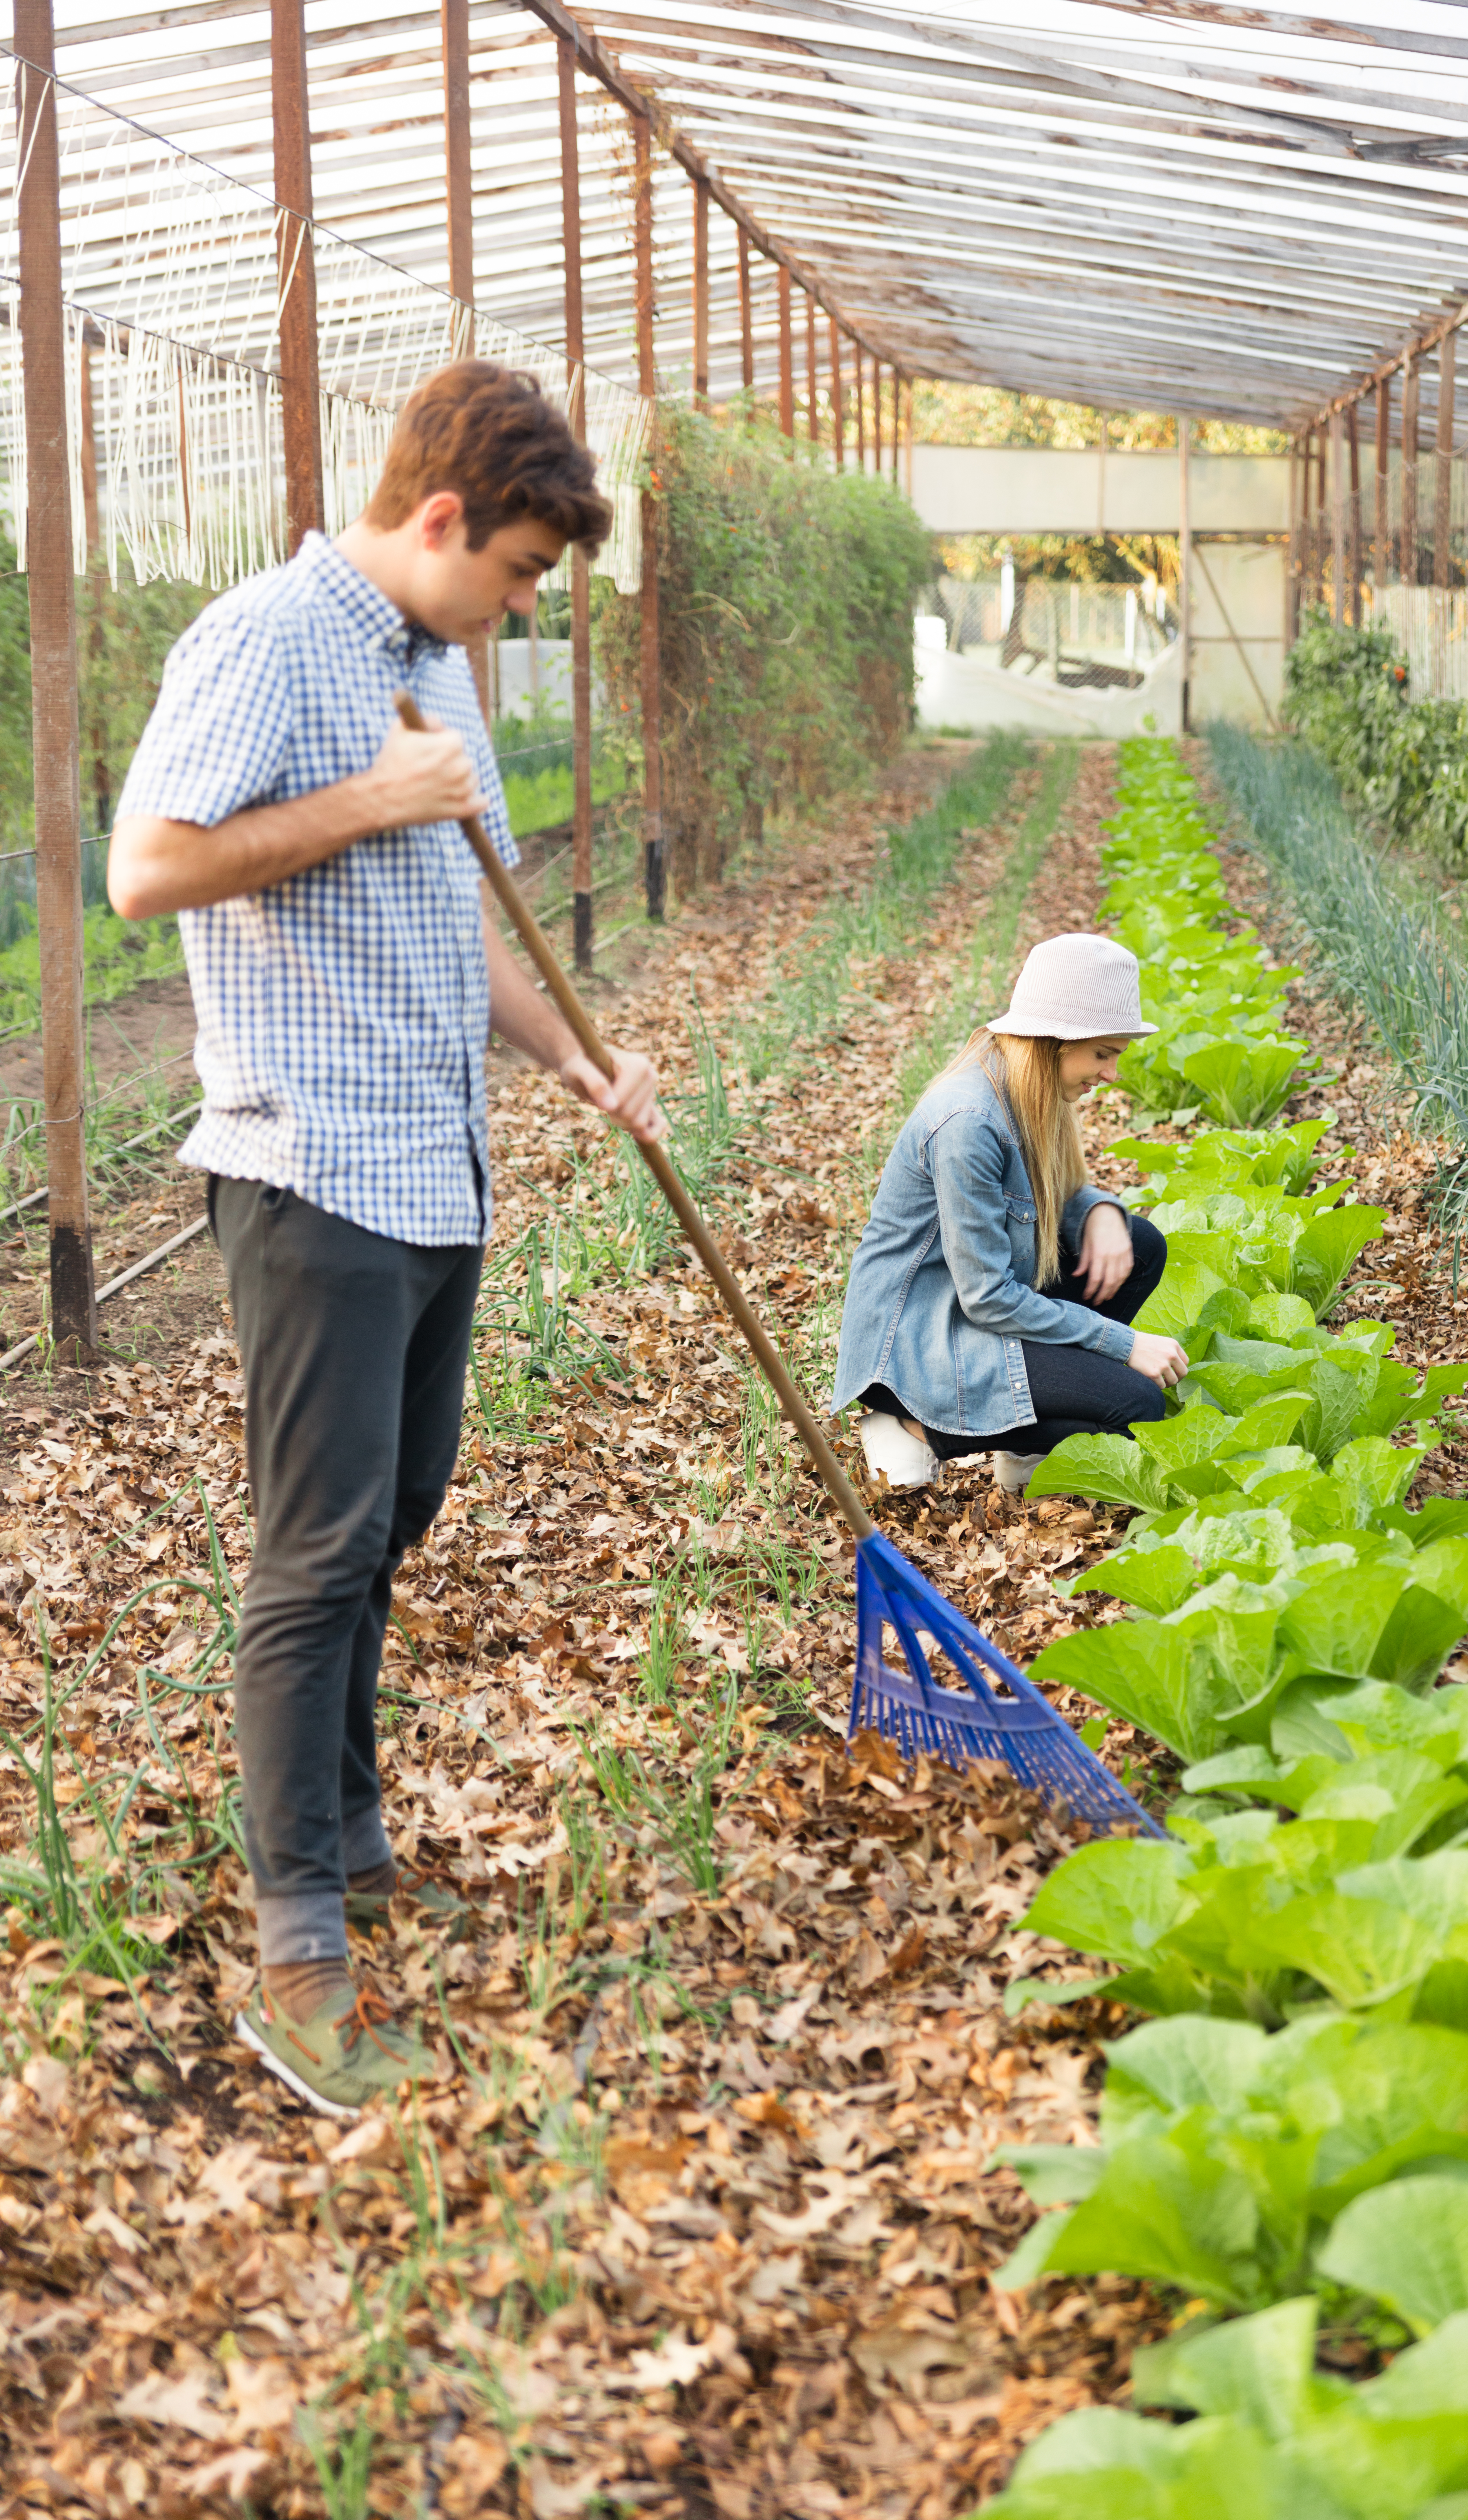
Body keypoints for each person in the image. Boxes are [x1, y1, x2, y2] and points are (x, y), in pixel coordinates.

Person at [107, 361, 664, 2116]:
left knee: (393, 1515)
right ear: (439, 519)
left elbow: (461, 911)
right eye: (516, 571)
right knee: (316, 1550)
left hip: (436, 1167)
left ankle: (345, 1840)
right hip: (312, 1166)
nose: (521, 607)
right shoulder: (267, 641)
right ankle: (298, 1964)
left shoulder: (435, 668)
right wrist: (366, 797)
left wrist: (575, 1057)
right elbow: (146, 868)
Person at [832, 933, 1187, 1493]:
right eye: (1103, 1054)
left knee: (1139, 1245)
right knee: (1138, 1405)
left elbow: (1051, 1193)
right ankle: (914, 1427)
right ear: (1054, 1042)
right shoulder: (968, 1122)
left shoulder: (1027, 1089)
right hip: (922, 1342)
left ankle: (1025, 1450)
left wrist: (1098, 1210)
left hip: (974, 1307)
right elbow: (988, 1297)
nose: (1112, 1074)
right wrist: (1124, 1345)